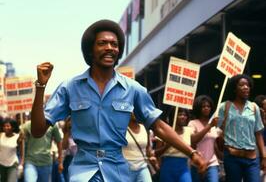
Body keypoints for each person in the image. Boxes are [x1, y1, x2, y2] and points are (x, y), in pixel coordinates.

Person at [30, 19, 207, 182]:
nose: (109, 47)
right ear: (90, 50)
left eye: (114, 44)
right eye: (102, 43)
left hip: (118, 172)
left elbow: (158, 126)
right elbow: (38, 130)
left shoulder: (133, 89)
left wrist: (192, 153)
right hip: (83, 172)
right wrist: (40, 86)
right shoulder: (70, 87)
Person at [218, 74, 266, 182]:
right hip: (232, 157)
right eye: (242, 85)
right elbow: (218, 131)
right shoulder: (225, 106)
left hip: (252, 158)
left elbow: (258, 133)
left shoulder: (254, 107)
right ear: (235, 88)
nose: (246, 87)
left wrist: (264, 156)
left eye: (248, 85)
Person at [188, 95, 220, 182]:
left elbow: (215, 144)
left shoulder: (214, 125)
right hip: (196, 163)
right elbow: (193, 140)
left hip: (212, 163)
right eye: (203, 106)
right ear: (198, 108)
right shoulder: (192, 123)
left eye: (208, 106)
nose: (206, 108)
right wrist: (209, 126)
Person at [158, 108, 193, 182]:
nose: (183, 117)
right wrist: (166, 146)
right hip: (168, 166)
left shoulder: (188, 131)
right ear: (173, 116)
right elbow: (156, 153)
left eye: (185, 115)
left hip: (184, 167)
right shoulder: (165, 131)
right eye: (180, 114)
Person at [122, 113, 155, 182]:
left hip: (142, 167)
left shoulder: (146, 129)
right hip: (125, 169)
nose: (135, 112)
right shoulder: (121, 129)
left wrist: (151, 156)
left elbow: (148, 150)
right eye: (133, 110)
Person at [0, 118, 20, 182]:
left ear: (13, 127)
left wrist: (21, 165)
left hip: (13, 164)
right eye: (4, 126)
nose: (6, 128)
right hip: (1, 164)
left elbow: (22, 152)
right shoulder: (1, 135)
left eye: (8, 126)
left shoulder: (18, 137)